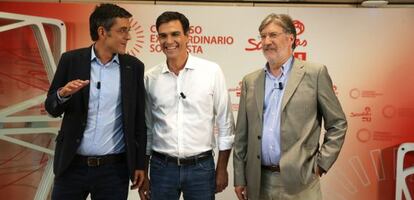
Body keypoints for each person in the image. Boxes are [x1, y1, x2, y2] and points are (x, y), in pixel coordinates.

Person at [233, 13, 347, 200]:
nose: (266, 41)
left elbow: (338, 123)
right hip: (258, 182)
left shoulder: (315, 73)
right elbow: (241, 136)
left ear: (290, 38)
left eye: (273, 35)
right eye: (262, 36)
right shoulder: (250, 81)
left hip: (301, 182)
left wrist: (320, 165)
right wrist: (239, 177)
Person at [44, 3, 146, 200]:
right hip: (71, 166)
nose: (129, 37)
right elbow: (51, 108)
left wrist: (140, 163)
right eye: (122, 31)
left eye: (129, 30)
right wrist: (63, 94)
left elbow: (138, 121)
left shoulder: (134, 67)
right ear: (102, 32)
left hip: (114, 171)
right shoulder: (71, 60)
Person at [139, 11, 235, 200]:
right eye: (163, 35)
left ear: (187, 35)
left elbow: (226, 124)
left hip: (201, 168)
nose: (169, 41)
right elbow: (148, 129)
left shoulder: (211, 71)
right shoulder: (150, 78)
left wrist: (222, 168)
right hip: (161, 168)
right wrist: (145, 171)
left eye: (175, 34)